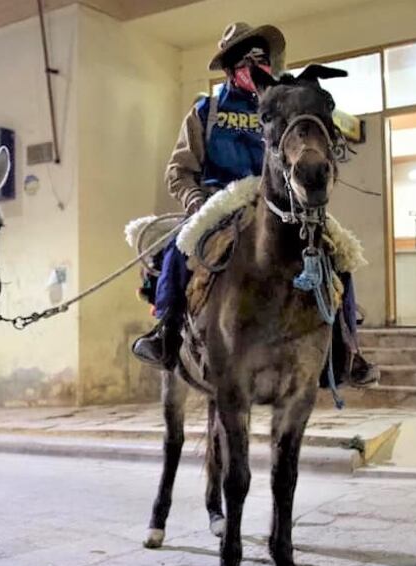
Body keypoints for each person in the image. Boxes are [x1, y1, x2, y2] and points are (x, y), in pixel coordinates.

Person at [131, 22, 379, 387]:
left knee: (340, 251)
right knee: (179, 246)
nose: (255, 65)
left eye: (260, 58)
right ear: (231, 68)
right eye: (245, 59)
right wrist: (197, 200)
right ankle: (166, 331)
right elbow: (179, 171)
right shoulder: (207, 110)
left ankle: (345, 347)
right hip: (221, 199)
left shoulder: (286, 104)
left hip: (278, 201)